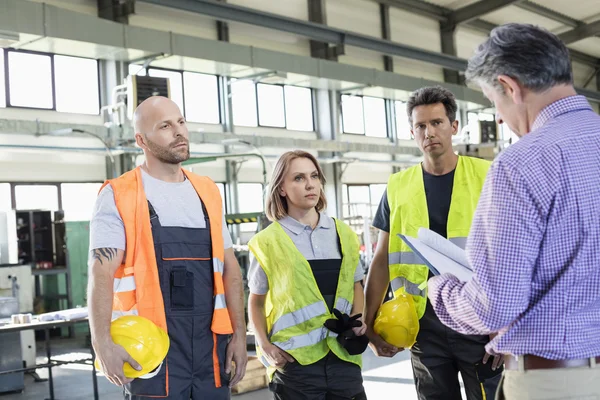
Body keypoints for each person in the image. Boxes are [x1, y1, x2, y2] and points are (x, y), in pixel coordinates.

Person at [427, 23, 600, 400]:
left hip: (558, 383)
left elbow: (495, 305)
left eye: (494, 100)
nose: (500, 118)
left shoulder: (522, 163)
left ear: (509, 86)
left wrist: (440, 291)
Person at [87, 96, 248, 399]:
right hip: (151, 348)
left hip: (211, 348)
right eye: (165, 126)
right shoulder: (119, 194)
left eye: (181, 122)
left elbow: (231, 272)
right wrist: (102, 342)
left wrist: (239, 335)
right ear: (141, 140)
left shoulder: (208, 191)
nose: (179, 132)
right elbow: (101, 274)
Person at [363, 86, 502, 400]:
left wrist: (504, 323)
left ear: (453, 127)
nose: (429, 132)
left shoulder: (488, 175)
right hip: (423, 328)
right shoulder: (397, 186)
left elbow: (509, 255)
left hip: (479, 321)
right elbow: (381, 259)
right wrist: (369, 324)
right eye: (421, 126)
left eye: (437, 123)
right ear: (412, 132)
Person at [247, 150, 368, 400]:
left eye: (314, 176)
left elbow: (356, 284)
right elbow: (256, 301)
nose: (310, 184)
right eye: (299, 178)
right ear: (281, 188)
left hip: (344, 355)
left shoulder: (343, 233)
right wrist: (265, 346)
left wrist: (358, 319)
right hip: (295, 364)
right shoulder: (267, 242)